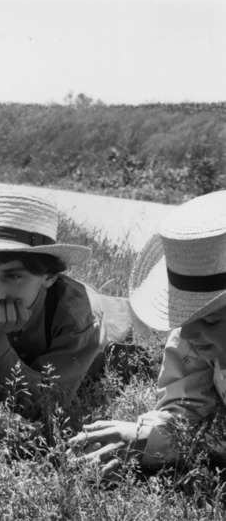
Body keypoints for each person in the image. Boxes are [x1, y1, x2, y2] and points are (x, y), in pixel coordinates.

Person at [0, 188, 132, 423]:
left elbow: (47, 404)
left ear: (49, 276)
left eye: (13, 276)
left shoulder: (77, 315)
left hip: (126, 328)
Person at [69, 190, 226, 473]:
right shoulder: (194, 333)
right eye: (184, 317)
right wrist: (147, 439)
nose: (188, 334)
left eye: (211, 319)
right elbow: (184, 406)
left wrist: (163, 445)